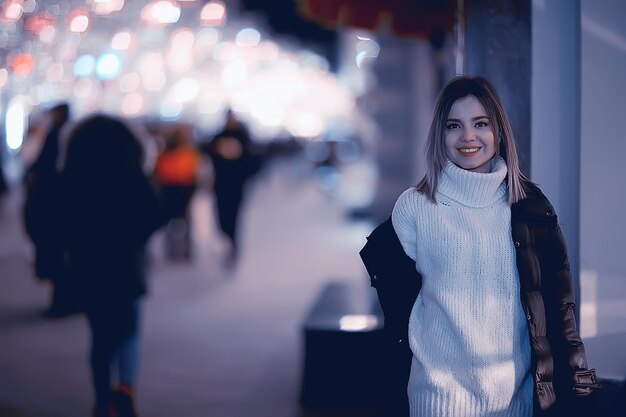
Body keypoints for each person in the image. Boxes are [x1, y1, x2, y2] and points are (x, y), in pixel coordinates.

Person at [359, 76, 598, 417]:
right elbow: (397, 308)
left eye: (480, 123)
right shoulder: (415, 206)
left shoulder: (530, 208)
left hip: (517, 401)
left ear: (498, 132)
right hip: (437, 400)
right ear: (440, 135)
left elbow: (561, 311)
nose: (468, 137)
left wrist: (576, 382)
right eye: (454, 125)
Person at [60, 114, 166, 417]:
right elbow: (157, 215)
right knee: (130, 332)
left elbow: (58, 222)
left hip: (88, 265)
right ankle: (126, 388)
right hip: (127, 263)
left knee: (100, 337)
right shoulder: (133, 175)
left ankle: (102, 398)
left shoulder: (72, 177)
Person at [22, 102, 79, 317]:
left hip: (54, 206)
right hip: (62, 206)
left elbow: (43, 169)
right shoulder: (68, 134)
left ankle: (63, 302)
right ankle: (66, 300)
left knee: (57, 255)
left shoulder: (58, 135)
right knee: (62, 255)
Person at [201, 109, 261, 264]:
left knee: (234, 217)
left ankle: (233, 245)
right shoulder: (219, 136)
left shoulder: (242, 136)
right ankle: (226, 241)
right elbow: (206, 151)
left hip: (236, 184)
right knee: (221, 216)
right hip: (221, 185)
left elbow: (252, 160)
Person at [153, 125, 200, 260]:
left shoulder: (186, 153)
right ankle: (176, 250)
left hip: (181, 190)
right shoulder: (167, 154)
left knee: (182, 223)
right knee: (174, 224)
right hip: (172, 190)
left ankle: (183, 250)